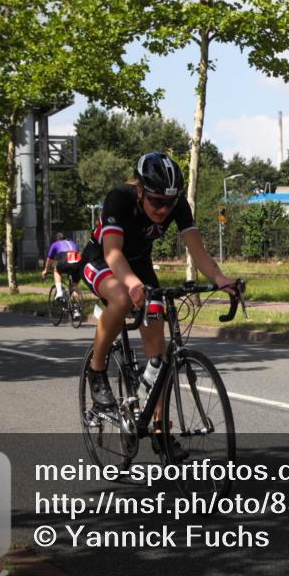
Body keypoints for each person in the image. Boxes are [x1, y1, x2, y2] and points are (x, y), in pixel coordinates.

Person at [81, 152, 236, 414]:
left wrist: (220, 279)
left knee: (158, 356)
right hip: (102, 260)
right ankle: (97, 372)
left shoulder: (177, 206)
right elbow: (113, 253)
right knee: (120, 298)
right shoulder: (119, 198)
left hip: (139, 265)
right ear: (140, 191)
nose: (163, 209)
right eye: (156, 201)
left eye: (169, 202)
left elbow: (198, 253)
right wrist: (131, 283)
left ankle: (157, 429)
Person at [41, 232, 81, 312]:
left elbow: (49, 259)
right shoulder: (72, 243)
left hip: (65, 258)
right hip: (77, 262)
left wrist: (45, 270)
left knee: (56, 270)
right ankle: (77, 310)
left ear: (57, 239)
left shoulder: (55, 244)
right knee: (74, 287)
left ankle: (59, 292)